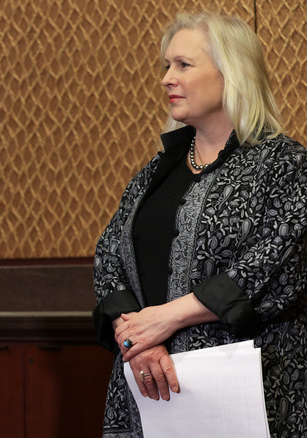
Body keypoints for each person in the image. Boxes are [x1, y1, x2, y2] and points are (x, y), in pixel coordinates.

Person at [93, 12, 307, 437]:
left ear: (232, 72)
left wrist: (166, 319)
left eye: (183, 65)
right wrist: (136, 338)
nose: (166, 78)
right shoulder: (156, 172)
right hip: (149, 389)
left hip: (248, 393)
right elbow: (107, 258)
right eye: (166, 66)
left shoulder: (285, 165)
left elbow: (271, 267)